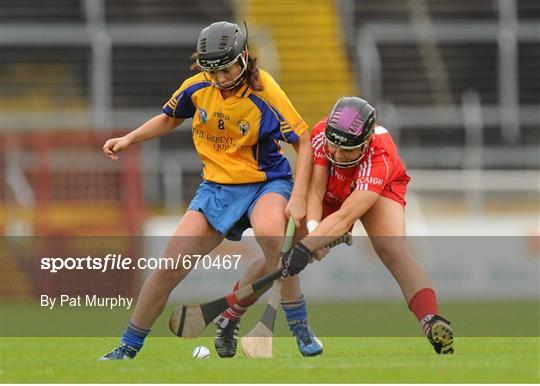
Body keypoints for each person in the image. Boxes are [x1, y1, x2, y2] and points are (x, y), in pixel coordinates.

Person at [100, 21, 322, 360]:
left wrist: (300, 196)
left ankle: (300, 327)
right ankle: (128, 347)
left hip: (267, 183)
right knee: (168, 267)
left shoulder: (266, 91)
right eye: (212, 71)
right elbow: (170, 117)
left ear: (244, 57)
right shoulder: (197, 87)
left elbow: (303, 141)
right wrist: (130, 138)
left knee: (273, 238)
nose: (220, 79)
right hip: (217, 189)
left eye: (226, 69)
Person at [279, 97, 455, 354]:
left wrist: (308, 247)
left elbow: (346, 217)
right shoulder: (321, 134)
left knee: (392, 248)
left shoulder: (380, 153)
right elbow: (315, 192)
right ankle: (231, 317)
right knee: (278, 251)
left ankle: (431, 320)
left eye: (348, 149)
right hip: (330, 187)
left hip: (378, 189)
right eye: (334, 147)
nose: (339, 155)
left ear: (366, 142)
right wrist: (315, 235)